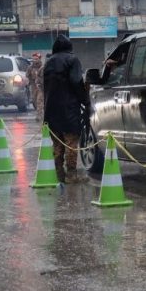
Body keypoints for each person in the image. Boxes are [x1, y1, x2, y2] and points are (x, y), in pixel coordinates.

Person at [43, 35, 89, 184]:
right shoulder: (72, 60)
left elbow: (45, 89)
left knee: (57, 144)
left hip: (51, 110)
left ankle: (58, 174)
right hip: (69, 109)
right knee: (71, 143)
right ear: (69, 47)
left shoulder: (48, 62)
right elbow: (77, 82)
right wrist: (85, 101)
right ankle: (71, 175)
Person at [26, 52, 45, 122]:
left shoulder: (43, 67)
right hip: (33, 86)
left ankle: (39, 116)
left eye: (36, 59)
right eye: (33, 59)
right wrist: (28, 83)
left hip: (41, 86)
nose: (34, 60)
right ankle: (40, 112)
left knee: (39, 100)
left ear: (39, 59)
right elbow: (27, 76)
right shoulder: (30, 68)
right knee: (34, 101)